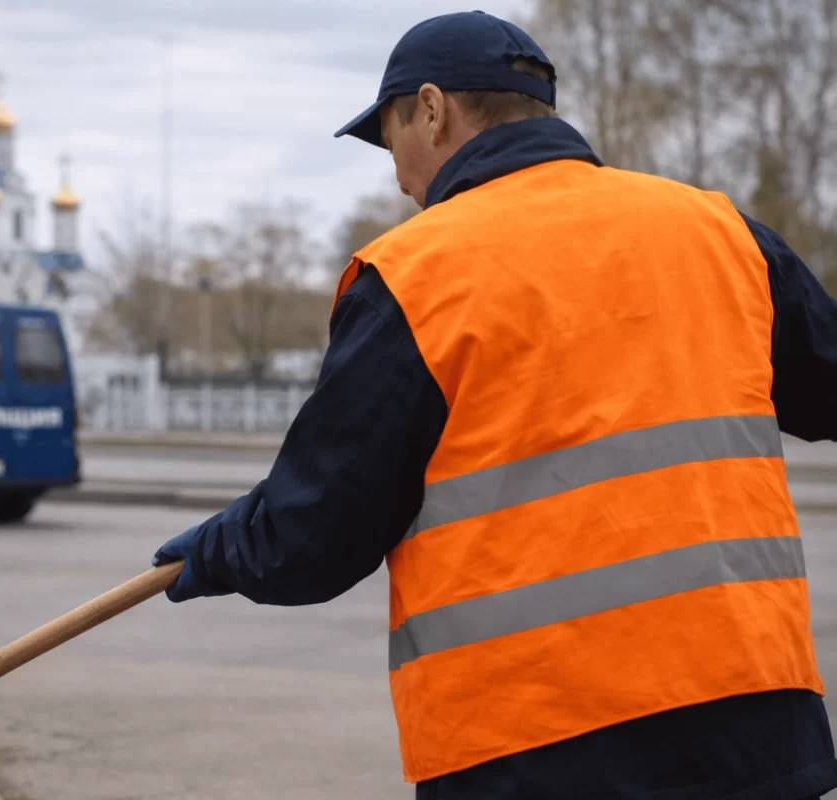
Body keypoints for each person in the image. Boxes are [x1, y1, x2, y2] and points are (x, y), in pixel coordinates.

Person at [153, 10, 837, 800]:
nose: (400, 177)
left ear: (432, 110)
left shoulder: (419, 276)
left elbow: (317, 533)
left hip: (539, 744)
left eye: (390, 139)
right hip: (753, 723)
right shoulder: (720, 234)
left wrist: (219, 549)